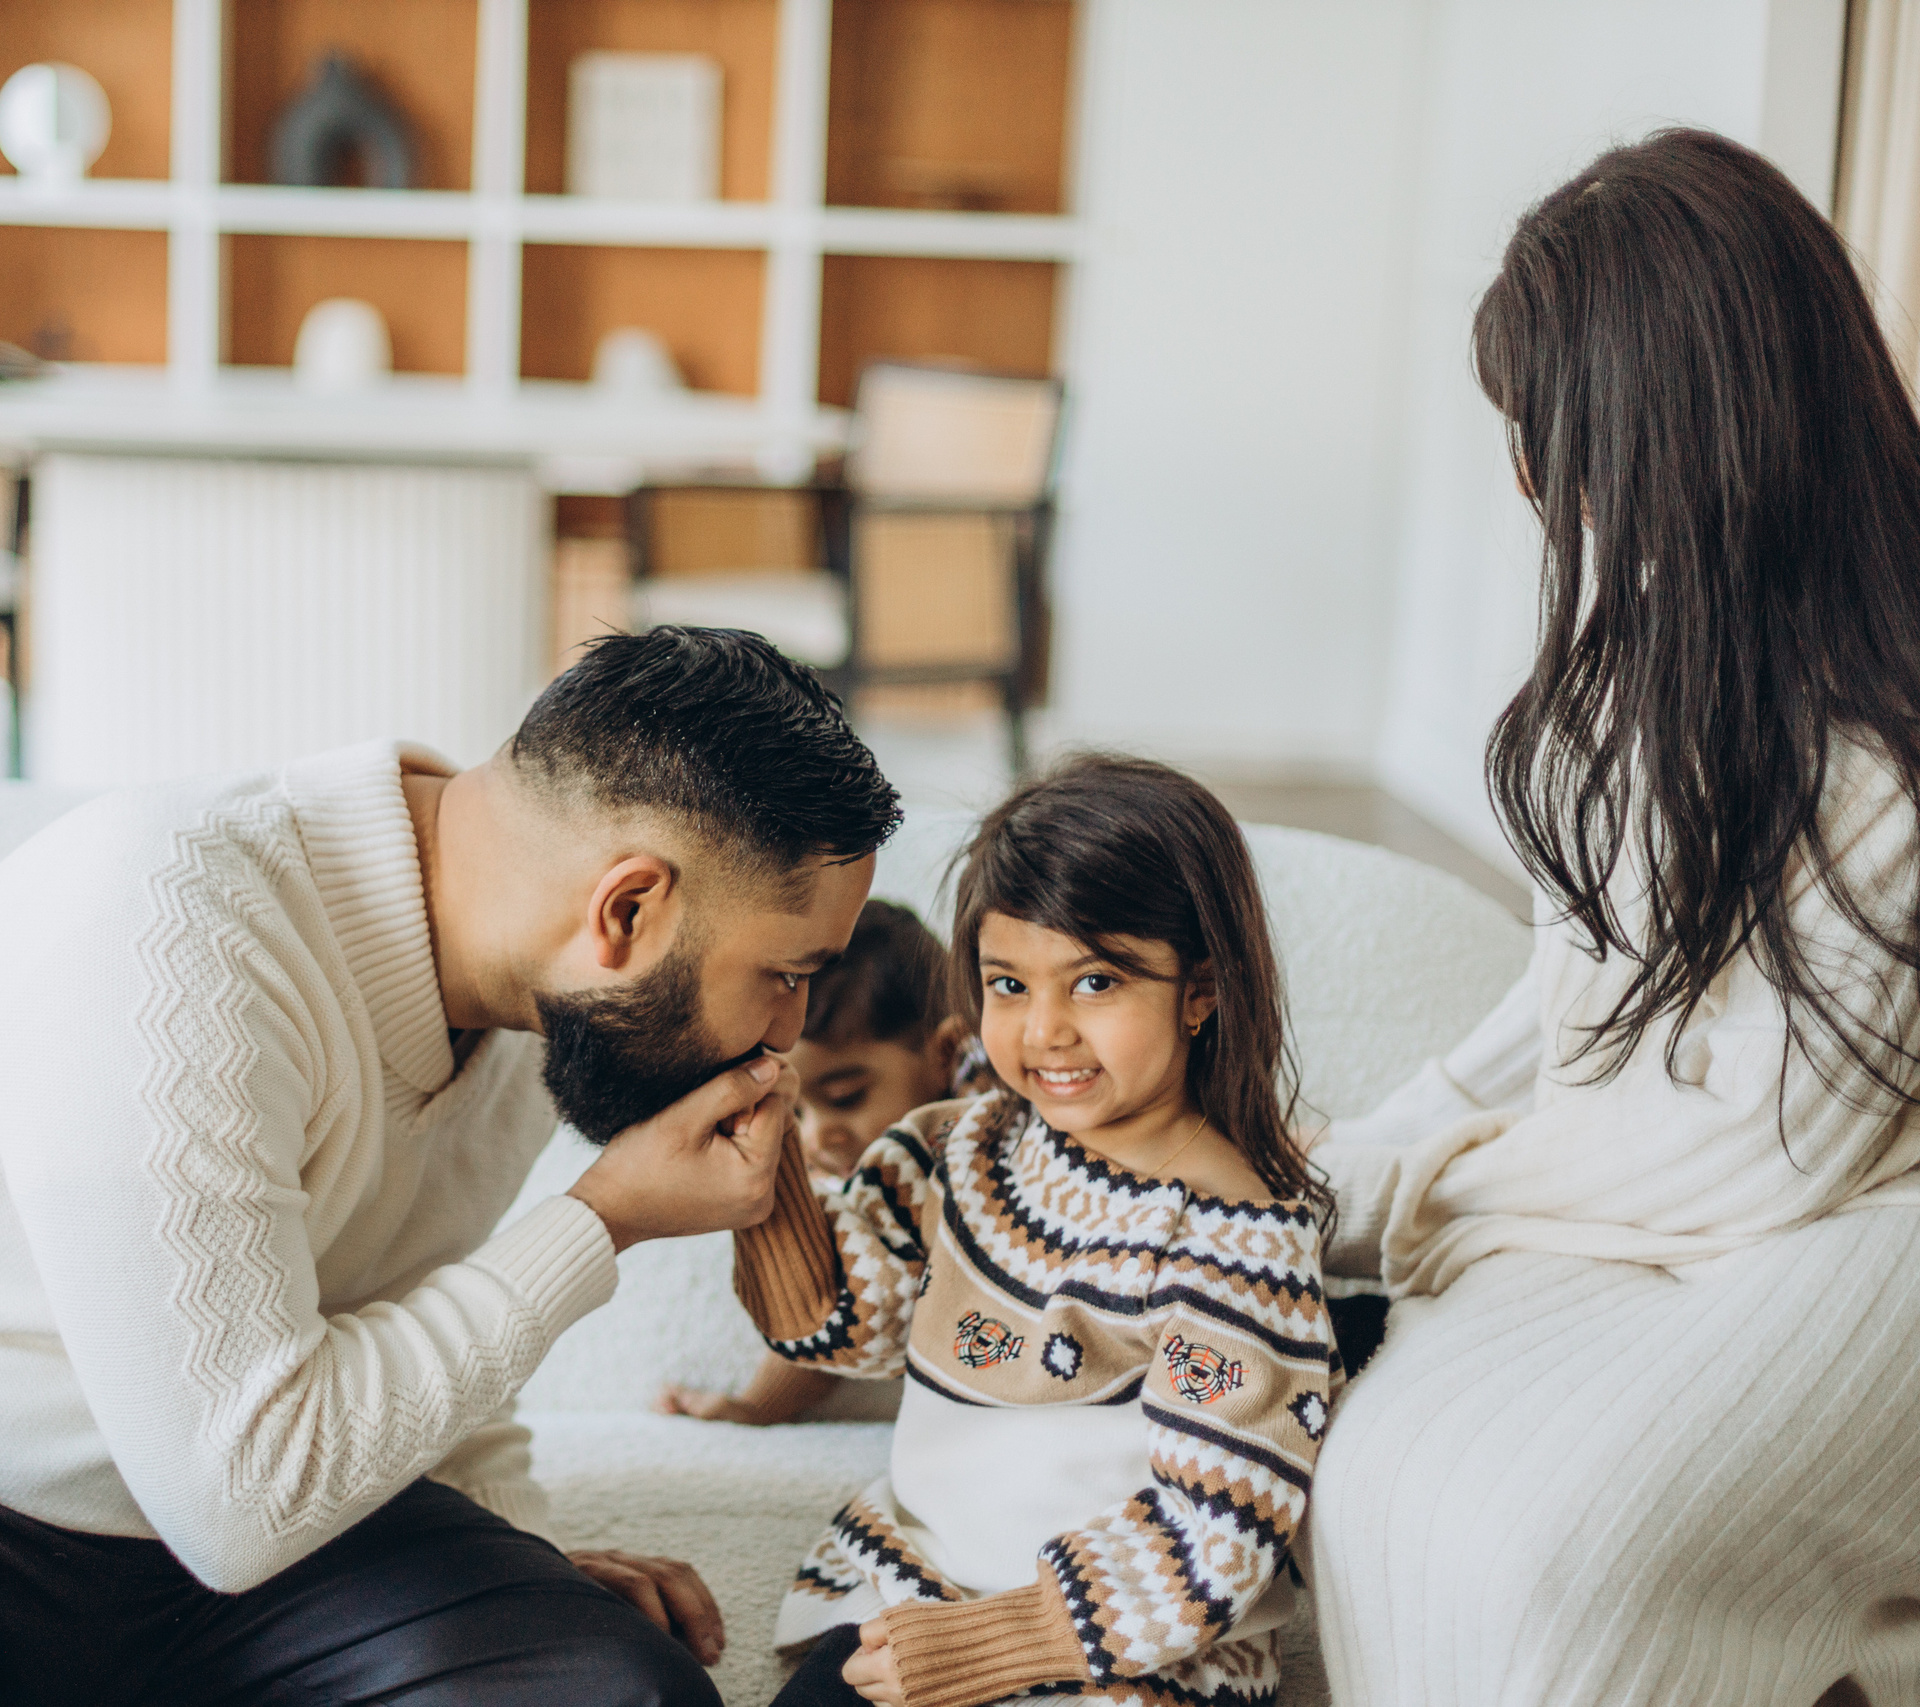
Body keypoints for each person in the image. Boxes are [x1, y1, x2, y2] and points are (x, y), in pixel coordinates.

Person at [0, 627, 903, 1707]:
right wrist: (597, 1221)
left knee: (611, 1685)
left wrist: (516, 1554)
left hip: (226, 1560)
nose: (786, 1031)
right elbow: (240, 1491)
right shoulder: (171, 917)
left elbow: (390, 1310)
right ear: (627, 908)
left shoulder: (523, 1003)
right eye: (783, 975)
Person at [1308, 129, 1920, 1707]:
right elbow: (1568, 1025)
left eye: (1548, 433)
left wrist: (1434, 1198)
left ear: (1677, 427)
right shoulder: (1632, 687)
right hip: (1649, 1219)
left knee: (1564, 1555)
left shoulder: (1894, 736)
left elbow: (1772, 1147)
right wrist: (1344, 1162)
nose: (1527, 479)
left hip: (1858, 1225)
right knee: (1383, 1476)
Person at [734, 754, 1340, 1707]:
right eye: (1008, 984)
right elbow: (841, 1321)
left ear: (1201, 990)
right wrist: (764, 1171)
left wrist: (989, 1644)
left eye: (1095, 982)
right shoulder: (957, 1145)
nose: (1045, 1028)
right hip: (923, 1582)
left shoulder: (1235, 1244)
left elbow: (1214, 1530)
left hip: (1120, 1650)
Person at [657, 899, 967, 1427]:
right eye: (793, 1111)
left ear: (947, 1054)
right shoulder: (844, 1187)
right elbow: (843, 1301)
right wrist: (759, 1406)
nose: (819, 1134)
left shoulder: (974, 1151)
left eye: (845, 1095)